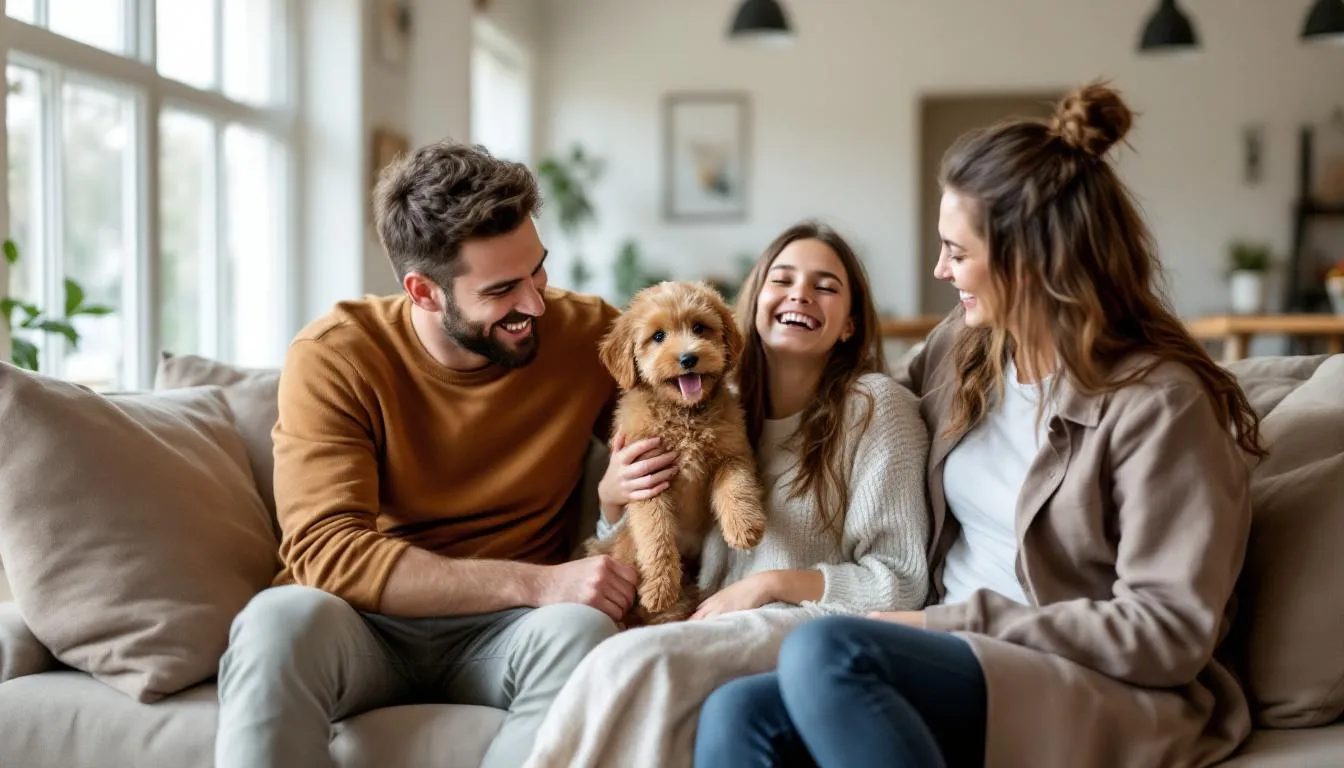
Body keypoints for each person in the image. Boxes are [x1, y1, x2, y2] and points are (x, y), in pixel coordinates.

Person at [694, 81, 1266, 768]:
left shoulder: (1159, 405)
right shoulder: (963, 351)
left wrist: (945, 621)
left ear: (1029, 260)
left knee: (828, 650)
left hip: (1085, 682)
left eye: (956, 253)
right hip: (952, 656)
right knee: (738, 710)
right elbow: (854, 419)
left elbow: (1166, 631)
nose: (940, 270)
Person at [214, 140, 641, 768]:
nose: (535, 303)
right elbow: (327, 553)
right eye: (501, 289)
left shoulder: (586, 334)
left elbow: (688, 414)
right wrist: (538, 581)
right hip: (363, 624)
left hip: (515, 631)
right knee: (275, 622)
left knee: (582, 632)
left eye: (538, 270)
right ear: (424, 291)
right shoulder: (337, 354)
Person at [522, 221, 932, 768]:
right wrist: (611, 503)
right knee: (600, 650)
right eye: (782, 280)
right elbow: (668, 535)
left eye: (826, 286)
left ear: (850, 324)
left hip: (810, 628)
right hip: (707, 616)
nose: (800, 294)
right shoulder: (723, 407)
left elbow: (902, 582)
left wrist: (767, 585)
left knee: (635, 666)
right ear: (754, 305)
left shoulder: (878, 408)